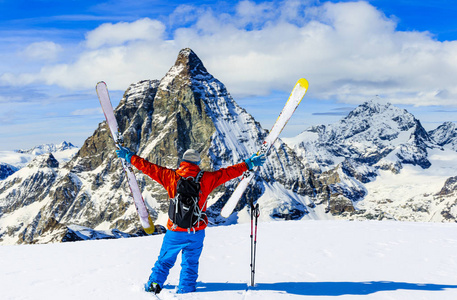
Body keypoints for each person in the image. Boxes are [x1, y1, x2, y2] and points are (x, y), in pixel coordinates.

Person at [115, 147, 265, 294]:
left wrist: (130, 157)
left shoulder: (170, 176)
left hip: (174, 231)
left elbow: (149, 168)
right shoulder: (207, 178)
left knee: (165, 260)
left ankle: (154, 285)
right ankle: (186, 290)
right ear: (198, 163)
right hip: (196, 231)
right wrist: (248, 164)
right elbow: (228, 173)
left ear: (183, 162)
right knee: (190, 263)